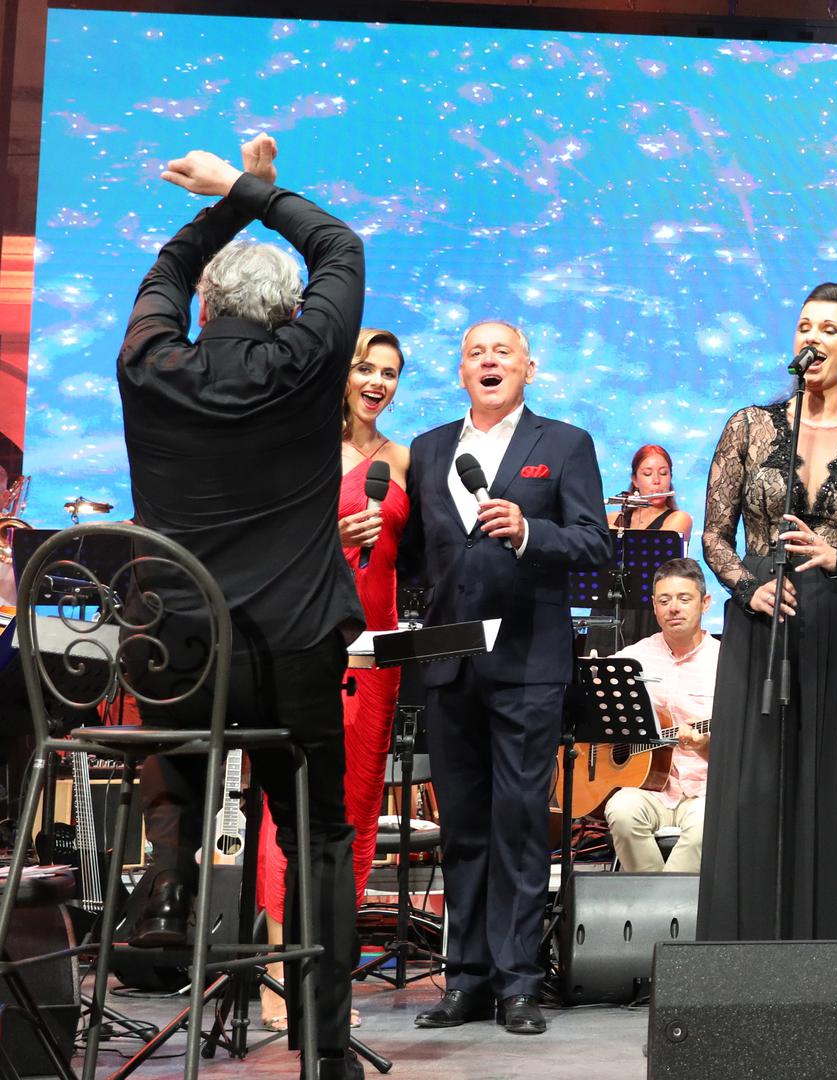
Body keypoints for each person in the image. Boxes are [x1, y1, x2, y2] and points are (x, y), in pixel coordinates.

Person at [117, 135, 367, 1080]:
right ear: (290, 314)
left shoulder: (149, 362)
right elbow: (340, 247)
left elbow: (165, 269)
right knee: (318, 836)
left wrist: (223, 203)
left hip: (173, 664)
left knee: (180, 739)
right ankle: (325, 1048)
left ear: (206, 308)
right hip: (289, 660)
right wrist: (251, 189)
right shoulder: (307, 363)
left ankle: (169, 872)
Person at [400, 319, 610, 1035]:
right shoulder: (429, 449)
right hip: (449, 660)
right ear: (461, 371)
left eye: (502, 352)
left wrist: (528, 532)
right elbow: (414, 555)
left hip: (527, 662)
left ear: (529, 367)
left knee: (519, 824)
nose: (488, 361)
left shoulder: (565, 444)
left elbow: (594, 544)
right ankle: (465, 980)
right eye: (475, 353)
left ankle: (519, 983)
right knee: (461, 827)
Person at [698, 280, 837, 941]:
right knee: (756, 789)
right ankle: (743, 952)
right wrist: (747, 587)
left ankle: (836, 953)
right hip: (761, 623)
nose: (811, 338)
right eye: (803, 326)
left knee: (836, 792)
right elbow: (715, 534)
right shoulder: (749, 425)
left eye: (828, 328)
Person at [258, 328, 410, 1032]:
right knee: (290, 811)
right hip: (314, 642)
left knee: (356, 813)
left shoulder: (403, 460)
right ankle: (277, 971)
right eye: (365, 368)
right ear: (342, 375)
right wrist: (331, 538)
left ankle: (330, 980)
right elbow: (271, 544)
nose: (377, 382)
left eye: (390, 373)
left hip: (379, 653)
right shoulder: (305, 447)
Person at [603, 557, 720, 872]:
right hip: (651, 790)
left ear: (705, 603)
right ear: (654, 606)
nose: (674, 608)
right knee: (621, 810)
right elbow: (598, 716)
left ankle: (658, 900)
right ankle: (659, 899)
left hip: (704, 792)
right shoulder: (631, 660)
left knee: (705, 827)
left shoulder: (726, 663)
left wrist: (704, 746)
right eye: (664, 601)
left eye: (684, 599)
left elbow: (742, 753)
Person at [585, 443, 693, 654]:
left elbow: (649, 548)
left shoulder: (679, 519)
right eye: (647, 474)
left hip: (648, 610)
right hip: (609, 606)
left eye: (664, 473)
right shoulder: (612, 518)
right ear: (635, 480)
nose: (656, 481)